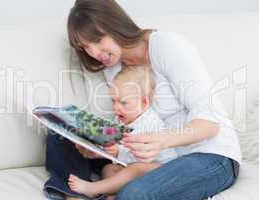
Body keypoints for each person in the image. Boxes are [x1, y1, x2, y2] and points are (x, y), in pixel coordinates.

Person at [44, 0, 242, 199]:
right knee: (60, 134)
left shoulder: (166, 46)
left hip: (209, 155)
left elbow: (210, 123)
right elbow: (131, 125)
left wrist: (162, 141)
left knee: (135, 193)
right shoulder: (113, 67)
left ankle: (104, 194)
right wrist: (101, 146)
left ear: (115, 24)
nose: (94, 53)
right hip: (151, 157)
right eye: (86, 47)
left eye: (97, 40)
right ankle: (75, 194)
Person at [68, 66, 178, 199]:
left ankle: (93, 189)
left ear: (144, 103)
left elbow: (141, 156)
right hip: (133, 168)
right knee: (108, 168)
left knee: (135, 169)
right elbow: (114, 144)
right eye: (113, 101)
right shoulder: (122, 118)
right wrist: (98, 149)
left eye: (123, 102)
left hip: (162, 170)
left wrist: (118, 152)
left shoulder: (149, 123)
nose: (115, 107)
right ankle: (111, 196)